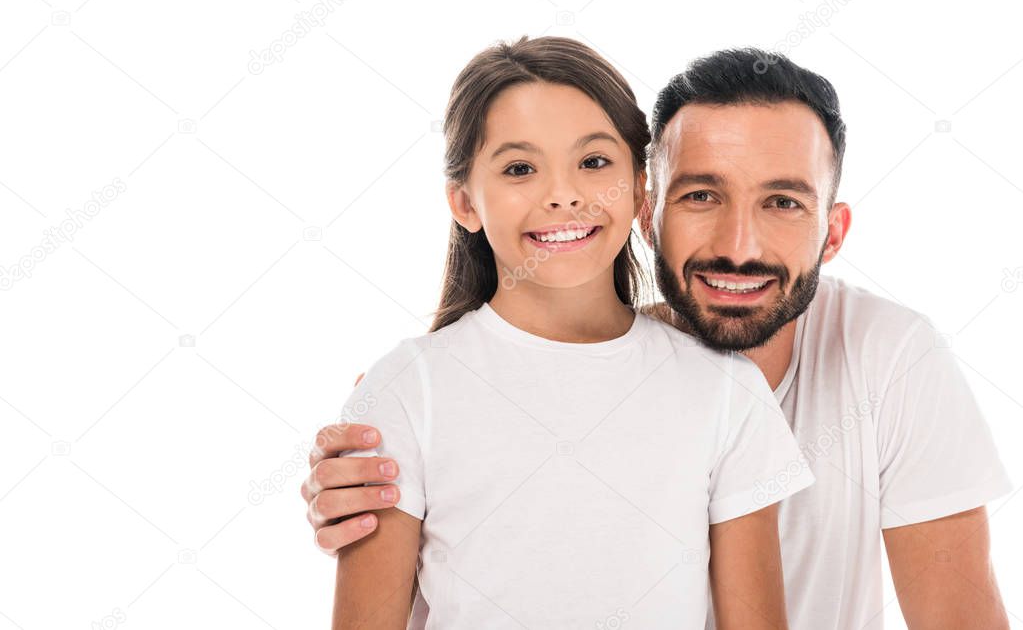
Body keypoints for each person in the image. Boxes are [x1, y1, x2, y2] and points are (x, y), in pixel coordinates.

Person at [306, 46, 1013, 629]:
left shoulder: (885, 358)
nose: (738, 246)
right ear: (649, 211)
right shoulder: (433, 384)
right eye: (701, 195)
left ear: (832, 232)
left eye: (782, 202)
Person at [329, 36, 813, 629]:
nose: (564, 194)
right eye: (520, 169)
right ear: (464, 202)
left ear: (641, 186)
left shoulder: (724, 391)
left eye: (593, 162)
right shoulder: (410, 389)